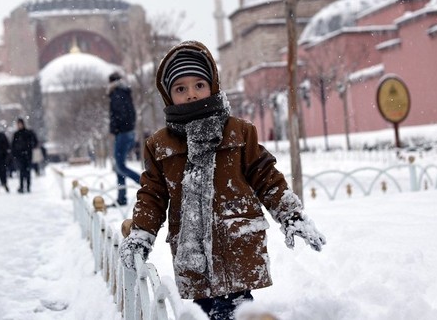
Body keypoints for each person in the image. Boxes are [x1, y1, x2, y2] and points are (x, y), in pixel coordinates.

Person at [119, 41, 325, 320]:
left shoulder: (239, 132)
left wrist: (290, 214)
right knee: (204, 312)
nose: (191, 94)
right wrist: (142, 234)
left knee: (236, 311)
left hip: (236, 244)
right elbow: (152, 195)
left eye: (199, 85)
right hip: (192, 254)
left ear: (212, 85)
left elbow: (266, 177)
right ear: (168, 96)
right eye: (181, 88)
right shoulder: (160, 145)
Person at [107, 71, 141, 206]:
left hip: (123, 133)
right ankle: (121, 198)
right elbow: (130, 113)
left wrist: (116, 128)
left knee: (120, 166)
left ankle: (146, 183)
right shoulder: (124, 92)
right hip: (128, 132)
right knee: (119, 167)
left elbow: (120, 114)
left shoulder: (117, 93)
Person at [11, 117, 38, 194]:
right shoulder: (16, 134)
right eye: (18, 124)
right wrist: (14, 154)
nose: (19, 125)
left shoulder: (29, 133)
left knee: (28, 171)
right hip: (20, 156)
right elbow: (13, 145)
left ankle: (28, 186)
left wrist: (30, 146)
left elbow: (35, 142)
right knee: (22, 172)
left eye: (20, 124)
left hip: (28, 155)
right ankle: (22, 186)